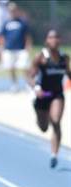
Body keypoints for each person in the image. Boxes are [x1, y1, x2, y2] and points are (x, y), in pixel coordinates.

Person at [27, 30, 70, 168]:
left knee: (56, 121)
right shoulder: (41, 57)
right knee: (44, 127)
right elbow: (29, 76)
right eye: (51, 37)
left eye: (56, 37)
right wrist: (36, 88)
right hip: (42, 96)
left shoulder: (65, 58)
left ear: (60, 40)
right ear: (47, 41)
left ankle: (54, 154)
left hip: (57, 94)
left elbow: (69, 74)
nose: (54, 40)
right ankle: (37, 110)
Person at [0, 2, 32, 91]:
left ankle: (28, 84)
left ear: (17, 10)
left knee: (24, 67)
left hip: (21, 49)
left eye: (14, 10)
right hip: (9, 49)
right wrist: (0, 47)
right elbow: (2, 37)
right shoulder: (6, 23)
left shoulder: (22, 22)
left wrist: (28, 46)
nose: (12, 12)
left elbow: (27, 36)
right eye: (10, 11)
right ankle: (14, 85)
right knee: (10, 68)